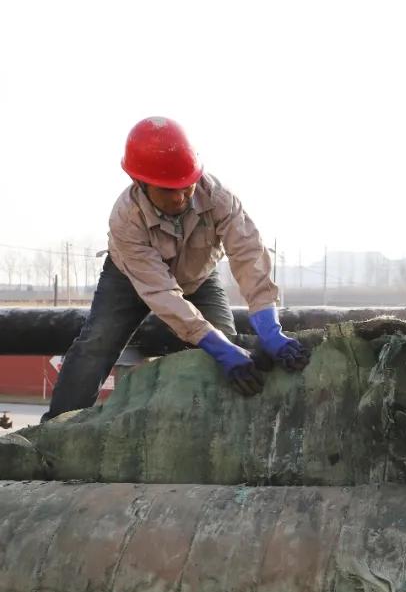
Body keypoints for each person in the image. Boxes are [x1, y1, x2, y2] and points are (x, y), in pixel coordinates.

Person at [43, 117, 308, 421]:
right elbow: (162, 294)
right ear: (141, 185)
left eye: (186, 186)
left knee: (227, 344)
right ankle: (54, 432)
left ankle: (213, 430)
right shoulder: (126, 219)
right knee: (97, 343)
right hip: (130, 278)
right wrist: (212, 343)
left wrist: (268, 327)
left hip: (198, 277)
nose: (180, 197)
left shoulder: (219, 198)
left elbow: (249, 256)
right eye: (168, 190)